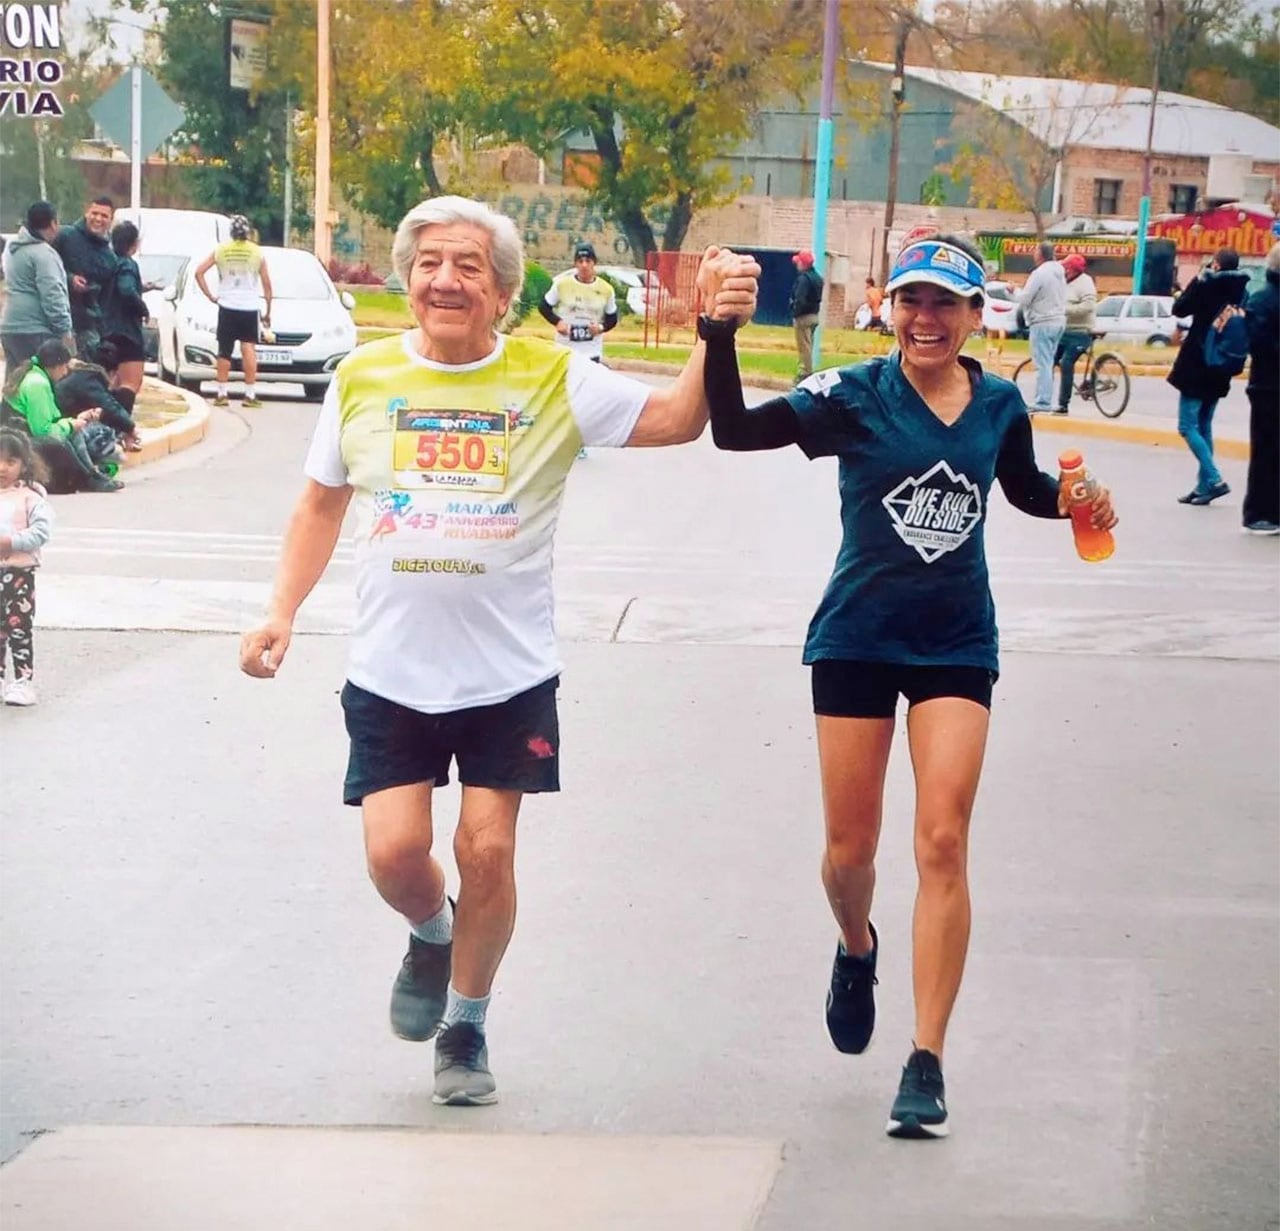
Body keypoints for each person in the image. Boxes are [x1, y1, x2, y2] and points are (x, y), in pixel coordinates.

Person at [238, 196, 758, 1107]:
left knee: (487, 849)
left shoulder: (552, 376)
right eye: (431, 262)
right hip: (391, 674)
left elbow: (681, 420)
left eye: (469, 266)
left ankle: (467, 1021)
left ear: (505, 293)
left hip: (507, 676)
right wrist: (280, 608)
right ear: (407, 279)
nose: (447, 279)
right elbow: (321, 502)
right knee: (397, 856)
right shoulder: (361, 378)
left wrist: (713, 331)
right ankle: (430, 934)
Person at [700, 233, 1115, 1140]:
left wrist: (1075, 502)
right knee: (851, 854)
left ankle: (925, 1058)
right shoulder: (850, 394)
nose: (927, 320)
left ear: (974, 316)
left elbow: (1020, 487)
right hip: (857, 636)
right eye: (912, 302)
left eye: (947, 305)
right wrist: (718, 332)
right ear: (890, 307)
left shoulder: (1000, 401)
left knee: (942, 838)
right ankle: (857, 946)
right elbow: (734, 431)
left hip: (957, 643)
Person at [1168, 247, 1251, 506]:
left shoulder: (1206, 285)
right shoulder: (1242, 291)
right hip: (1222, 364)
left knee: (1187, 426)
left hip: (1197, 362)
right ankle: (1203, 486)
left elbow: (1179, 309)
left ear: (1215, 264)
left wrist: (1195, 281)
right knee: (1204, 425)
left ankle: (1214, 479)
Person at [2, 340, 123, 494]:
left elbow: (51, 419)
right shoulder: (37, 384)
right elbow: (42, 431)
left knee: (75, 431)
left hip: (22, 434)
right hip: (17, 440)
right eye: (65, 367)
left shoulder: (38, 377)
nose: (66, 372)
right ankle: (88, 478)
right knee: (64, 439)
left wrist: (76, 421)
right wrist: (71, 425)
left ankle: (91, 475)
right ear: (56, 365)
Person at [193, 214, 273, 408]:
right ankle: (250, 394)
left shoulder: (221, 250)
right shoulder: (257, 252)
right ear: (248, 232)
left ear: (231, 231)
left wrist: (211, 296)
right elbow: (267, 284)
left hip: (227, 305)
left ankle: (221, 394)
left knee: (224, 350)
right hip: (249, 306)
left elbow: (199, 272)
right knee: (248, 348)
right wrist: (268, 311)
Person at [0, 429, 53, 707]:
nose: (2, 468)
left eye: (11, 461)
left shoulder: (30, 497)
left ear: (24, 464)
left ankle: (22, 681)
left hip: (19, 572)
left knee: (18, 626)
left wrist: (11, 543)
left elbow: (41, 531)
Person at [0, 201, 74, 368]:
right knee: (39, 383)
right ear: (53, 224)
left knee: (15, 387)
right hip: (36, 329)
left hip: (9, 326)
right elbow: (52, 294)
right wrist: (64, 330)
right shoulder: (44, 254)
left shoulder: (13, 249)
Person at [1242, 242, 1279, 534]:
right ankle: (1260, 512)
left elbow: (1258, 341)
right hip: (1268, 387)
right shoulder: (1264, 300)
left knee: (1269, 452)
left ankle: (1266, 511)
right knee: (1268, 451)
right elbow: (1259, 342)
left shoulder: (1262, 299)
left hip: (1267, 385)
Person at [52, 195, 118, 357]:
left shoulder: (110, 258)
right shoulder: (65, 236)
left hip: (88, 325)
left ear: (111, 220)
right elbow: (46, 269)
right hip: (56, 318)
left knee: (85, 373)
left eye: (104, 216)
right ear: (86, 212)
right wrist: (69, 279)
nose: (98, 219)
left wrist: (105, 332)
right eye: (94, 213)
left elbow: (107, 299)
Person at [539, 242, 618, 363]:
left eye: (588, 261)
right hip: (565, 349)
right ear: (575, 264)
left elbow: (612, 319)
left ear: (594, 263)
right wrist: (558, 322)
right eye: (580, 261)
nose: (584, 265)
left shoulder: (606, 289)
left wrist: (601, 328)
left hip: (592, 352)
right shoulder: (562, 284)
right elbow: (544, 307)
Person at [55, 340, 141, 452]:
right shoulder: (87, 379)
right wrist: (131, 428)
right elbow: (109, 406)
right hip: (65, 427)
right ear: (111, 373)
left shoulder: (81, 372)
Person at [100, 220, 149, 398]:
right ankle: (122, 423)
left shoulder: (107, 262)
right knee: (130, 384)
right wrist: (142, 308)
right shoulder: (128, 264)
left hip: (106, 330)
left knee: (111, 384)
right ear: (134, 244)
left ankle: (105, 422)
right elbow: (126, 289)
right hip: (127, 333)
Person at [1020, 241, 1067, 413]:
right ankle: (1045, 398)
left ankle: (1042, 402)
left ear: (1040, 255)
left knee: (1043, 363)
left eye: (1035, 251)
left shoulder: (1039, 273)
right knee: (1048, 361)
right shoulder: (1060, 272)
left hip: (1042, 321)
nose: (1033, 254)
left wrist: (1013, 292)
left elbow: (1025, 298)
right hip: (1059, 320)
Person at [1056, 254, 1097, 415]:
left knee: (1067, 363)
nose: (1064, 271)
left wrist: (1065, 311)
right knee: (1050, 359)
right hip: (1064, 331)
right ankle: (1043, 398)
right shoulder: (1065, 282)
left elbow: (1088, 306)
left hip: (1081, 332)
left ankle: (1063, 404)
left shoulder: (1085, 283)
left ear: (1073, 270)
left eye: (1066, 268)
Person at [790, 249, 823, 380]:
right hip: (814, 315)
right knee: (809, 345)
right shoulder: (818, 278)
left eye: (798, 262)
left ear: (803, 264)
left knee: (804, 347)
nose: (797, 265)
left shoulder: (804, 279)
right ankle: (807, 371)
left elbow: (800, 299)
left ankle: (805, 373)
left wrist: (795, 312)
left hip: (803, 317)